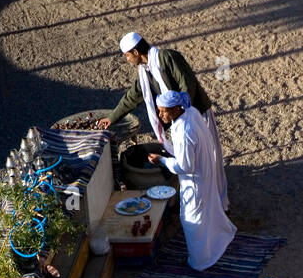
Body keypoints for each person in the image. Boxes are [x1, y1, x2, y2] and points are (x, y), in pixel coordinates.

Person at [97, 31, 228, 210]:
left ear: (136, 52)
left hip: (196, 116)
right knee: (190, 162)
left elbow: (187, 86)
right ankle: (203, 200)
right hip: (180, 120)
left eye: (127, 55)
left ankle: (220, 204)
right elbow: (132, 96)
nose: (127, 59)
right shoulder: (145, 71)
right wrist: (112, 118)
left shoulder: (167, 58)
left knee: (210, 158)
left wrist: (182, 116)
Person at [149, 90, 236, 271]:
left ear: (175, 109)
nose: (160, 115)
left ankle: (200, 261)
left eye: (163, 111)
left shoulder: (183, 131)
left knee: (192, 219)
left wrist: (162, 160)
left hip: (195, 182)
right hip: (205, 173)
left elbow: (185, 166)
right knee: (207, 211)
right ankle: (215, 243)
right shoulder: (192, 113)